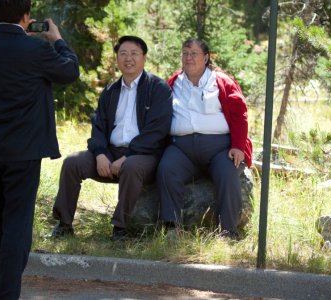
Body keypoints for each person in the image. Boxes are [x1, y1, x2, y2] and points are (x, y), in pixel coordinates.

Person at [0, 0, 79, 298]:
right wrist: (59, 41)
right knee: (17, 222)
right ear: (27, 16)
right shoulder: (37, 50)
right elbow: (69, 72)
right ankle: (7, 294)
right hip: (24, 150)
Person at [51, 36, 173, 241]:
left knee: (132, 167)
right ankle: (64, 224)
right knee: (72, 163)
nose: (128, 59)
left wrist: (128, 157)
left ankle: (120, 229)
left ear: (144, 57)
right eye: (123, 54)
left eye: (134, 54)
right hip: (110, 152)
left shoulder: (158, 89)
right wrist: (99, 154)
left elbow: (157, 131)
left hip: (144, 155)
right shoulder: (110, 91)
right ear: (117, 59)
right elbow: (98, 126)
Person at [157, 38, 253, 238]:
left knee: (228, 174)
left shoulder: (220, 81)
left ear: (206, 57)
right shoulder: (174, 82)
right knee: (166, 169)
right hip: (181, 148)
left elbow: (240, 113)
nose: (188, 57)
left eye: (194, 53)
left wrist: (238, 146)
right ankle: (172, 228)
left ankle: (227, 232)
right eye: (185, 53)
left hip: (219, 148)